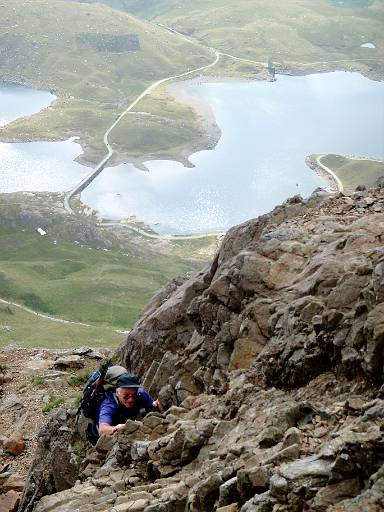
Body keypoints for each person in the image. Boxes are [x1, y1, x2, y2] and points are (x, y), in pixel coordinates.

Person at [97, 373, 161, 436]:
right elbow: (102, 430)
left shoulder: (140, 393)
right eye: (126, 396)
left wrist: (157, 404)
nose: (131, 400)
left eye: (134, 395)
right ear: (117, 393)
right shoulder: (109, 404)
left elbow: (152, 407)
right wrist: (115, 428)